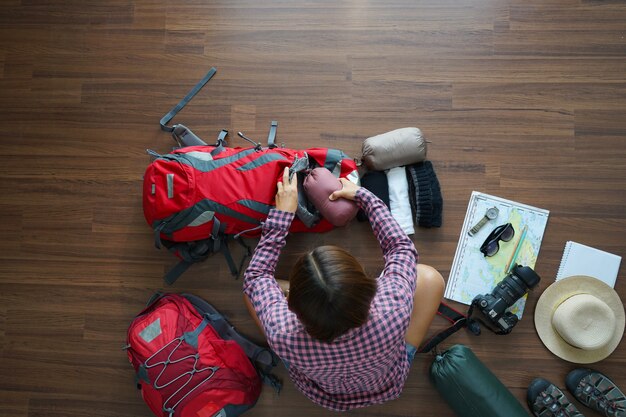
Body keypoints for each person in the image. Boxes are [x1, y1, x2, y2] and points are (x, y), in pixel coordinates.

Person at [243, 167, 445, 411]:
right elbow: (400, 248)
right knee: (430, 278)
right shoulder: (393, 307)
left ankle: (287, 292)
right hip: (388, 382)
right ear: (368, 286)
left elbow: (255, 277)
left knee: (253, 295)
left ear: (293, 307)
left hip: (326, 394)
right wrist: (363, 196)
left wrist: (282, 215)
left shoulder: (283, 333)